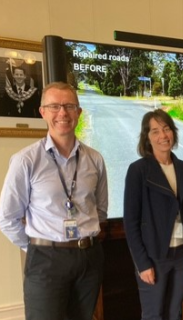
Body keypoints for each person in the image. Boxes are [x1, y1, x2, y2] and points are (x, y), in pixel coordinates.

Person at [0, 82, 109, 320]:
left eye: (70, 106)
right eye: (55, 106)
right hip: (45, 260)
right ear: (43, 112)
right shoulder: (25, 160)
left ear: (79, 112)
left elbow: (100, 210)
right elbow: (7, 218)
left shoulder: (95, 159)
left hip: (88, 258)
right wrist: (38, 248)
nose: (63, 113)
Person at [124, 109, 183, 320]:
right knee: (154, 315)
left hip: (181, 255)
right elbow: (130, 223)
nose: (163, 136)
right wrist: (142, 264)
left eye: (166, 129)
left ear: (173, 132)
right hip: (154, 256)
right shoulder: (138, 170)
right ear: (147, 138)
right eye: (155, 131)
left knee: (174, 313)